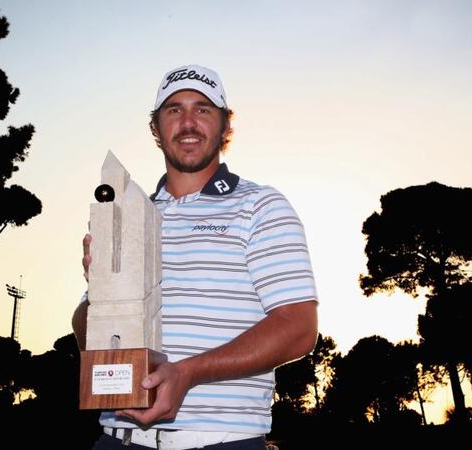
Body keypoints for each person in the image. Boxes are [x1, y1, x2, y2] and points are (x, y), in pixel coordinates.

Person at [73, 64, 318, 450]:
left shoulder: (261, 206)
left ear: (225, 125)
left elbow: (299, 328)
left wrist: (188, 373)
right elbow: (86, 335)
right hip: (115, 438)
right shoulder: (129, 216)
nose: (188, 122)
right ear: (156, 128)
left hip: (219, 442)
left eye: (203, 109)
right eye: (174, 110)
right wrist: (102, 291)